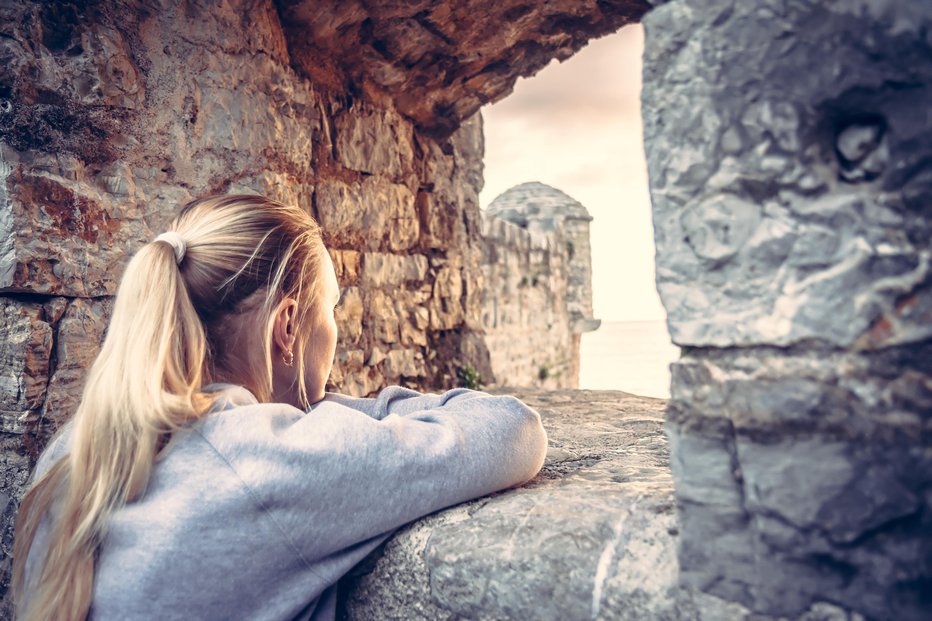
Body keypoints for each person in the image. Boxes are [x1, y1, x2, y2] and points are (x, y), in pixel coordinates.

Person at [12, 194, 548, 620]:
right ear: (288, 327)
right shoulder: (274, 464)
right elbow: (514, 431)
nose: (337, 331)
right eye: (332, 311)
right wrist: (339, 411)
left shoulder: (73, 450)